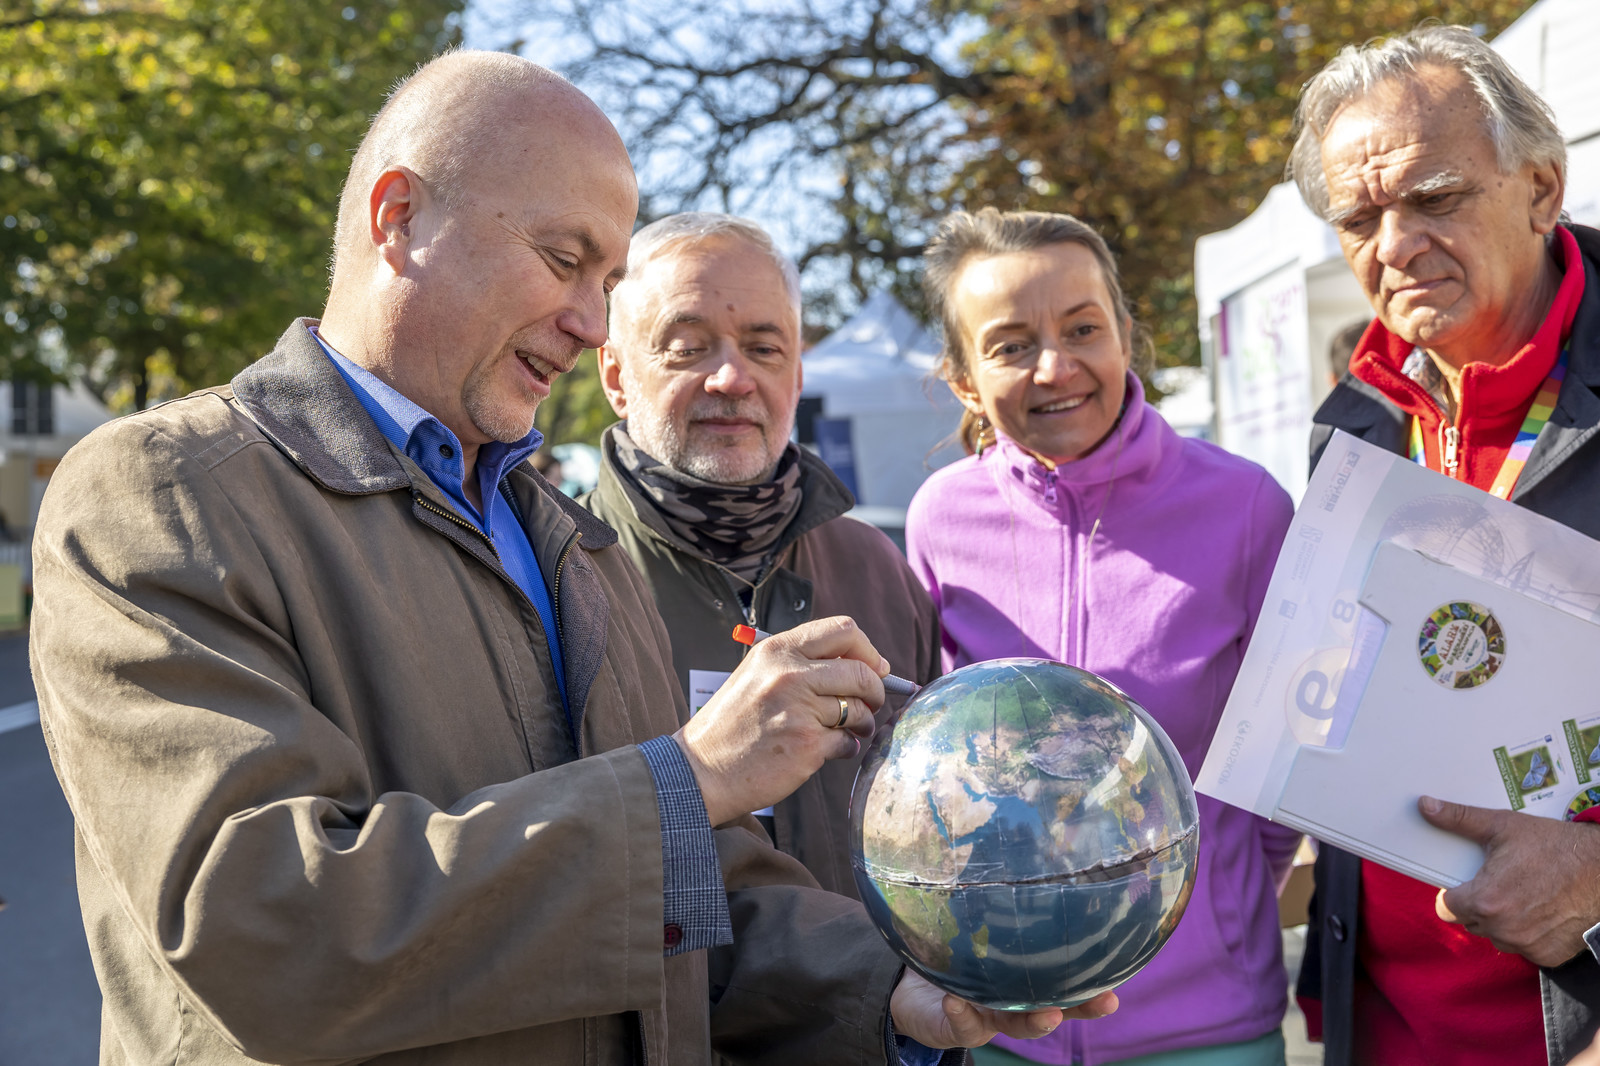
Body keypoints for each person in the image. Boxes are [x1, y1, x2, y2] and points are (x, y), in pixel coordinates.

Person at [29, 52, 1114, 1064]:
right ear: (398, 218)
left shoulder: (568, 541)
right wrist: (689, 777)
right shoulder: (165, 495)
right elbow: (264, 922)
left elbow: (692, 897)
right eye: (563, 261)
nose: (593, 322)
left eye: (609, 278)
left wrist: (895, 986)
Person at [904, 207, 1300, 1066]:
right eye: (1011, 345)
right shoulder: (940, 517)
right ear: (965, 380)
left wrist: (1212, 916)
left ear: (1125, 335)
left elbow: (1284, 764)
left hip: (1207, 1029)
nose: (1055, 366)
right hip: (1004, 1026)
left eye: (1083, 329)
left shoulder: (1246, 507)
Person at [1289, 24, 1600, 1065]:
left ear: (1542, 189)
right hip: (1386, 1026)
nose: (1393, 245)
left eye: (1434, 198)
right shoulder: (1354, 423)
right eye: (1358, 217)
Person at [584, 212, 940, 896]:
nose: (731, 378)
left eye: (764, 348)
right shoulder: (556, 574)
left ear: (797, 376)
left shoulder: (878, 571)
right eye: (687, 348)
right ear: (617, 376)